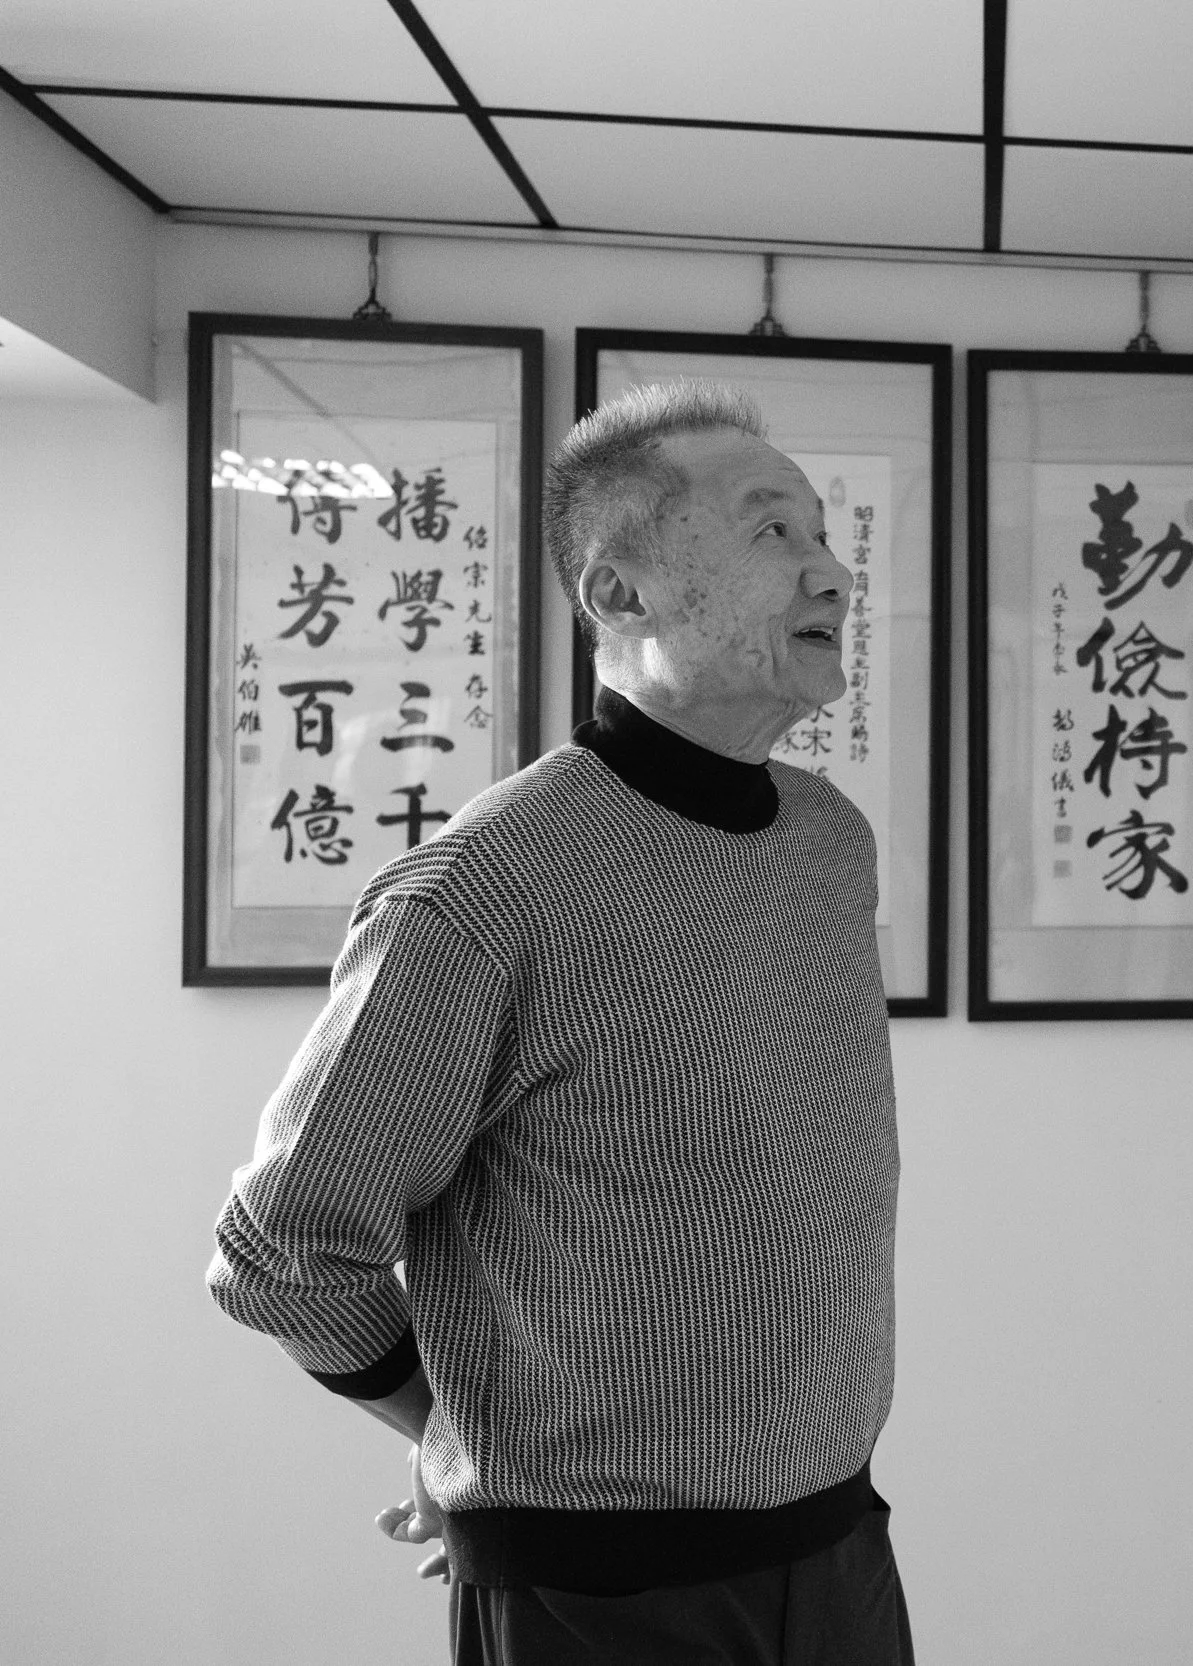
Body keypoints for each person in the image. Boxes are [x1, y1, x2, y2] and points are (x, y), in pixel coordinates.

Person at [207, 381, 909, 1666]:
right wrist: (447, 1430)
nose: (832, 573)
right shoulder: (491, 882)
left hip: (845, 1549)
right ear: (618, 597)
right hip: (602, 1602)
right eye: (772, 534)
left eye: (822, 533)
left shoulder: (829, 840)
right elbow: (284, 1246)